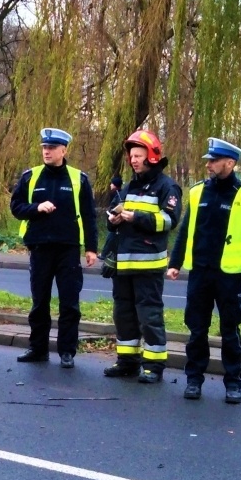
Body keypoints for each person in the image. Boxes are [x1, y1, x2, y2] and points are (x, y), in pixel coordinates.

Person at [166, 137, 241, 404]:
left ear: (230, 163)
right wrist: (175, 263)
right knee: (197, 330)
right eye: (208, 160)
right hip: (200, 272)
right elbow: (186, 230)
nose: (209, 165)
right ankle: (193, 380)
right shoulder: (198, 191)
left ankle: (233, 383)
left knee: (229, 330)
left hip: (229, 275)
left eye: (213, 161)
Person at [10, 127, 98, 367]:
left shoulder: (78, 179)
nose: (46, 152)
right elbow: (16, 207)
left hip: (68, 249)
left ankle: (67, 351)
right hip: (39, 248)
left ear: (63, 150)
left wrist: (91, 248)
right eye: (44, 148)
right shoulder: (31, 176)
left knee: (69, 303)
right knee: (40, 303)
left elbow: (90, 216)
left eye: (51, 148)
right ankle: (38, 349)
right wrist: (36, 208)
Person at [103, 129, 182, 383]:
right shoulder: (130, 186)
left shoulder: (167, 186)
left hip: (148, 265)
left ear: (152, 156)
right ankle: (127, 362)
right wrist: (114, 219)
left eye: (139, 155)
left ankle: (154, 366)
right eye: (132, 156)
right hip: (124, 264)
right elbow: (119, 219)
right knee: (123, 314)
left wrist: (135, 217)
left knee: (149, 316)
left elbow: (169, 220)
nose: (134, 160)